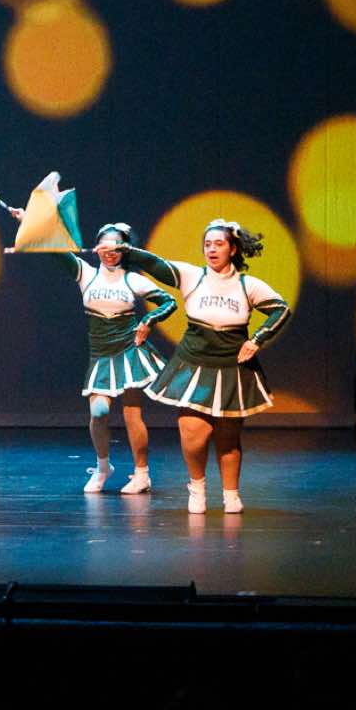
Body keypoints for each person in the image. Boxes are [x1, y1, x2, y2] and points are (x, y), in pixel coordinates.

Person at [119, 220, 292, 514]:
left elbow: (280, 309)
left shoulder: (247, 285)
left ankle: (230, 494)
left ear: (233, 249)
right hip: (194, 363)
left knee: (228, 437)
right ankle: (197, 488)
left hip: (232, 367)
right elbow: (156, 264)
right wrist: (124, 250)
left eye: (219, 244)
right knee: (191, 431)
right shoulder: (192, 276)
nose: (212, 249)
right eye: (207, 244)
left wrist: (257, 340)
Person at [13, 216, 176, 494]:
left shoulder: (132, 279)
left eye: (116, 247)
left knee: (132, 415)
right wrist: (30, 220)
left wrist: (148, 321)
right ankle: (103, 468)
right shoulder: (85, 273)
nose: (109, 252)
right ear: (97, 247)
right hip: (101, 354)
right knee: (99, 412)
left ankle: (142, 474)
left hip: (129, 352)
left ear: (125, 250)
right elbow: (53, 247)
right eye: (104, 246)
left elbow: (168, 302)